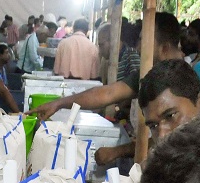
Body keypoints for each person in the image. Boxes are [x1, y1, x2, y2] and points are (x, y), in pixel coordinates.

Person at [30, 12, 184, 121]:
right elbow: (108, 93)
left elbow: (173, 139)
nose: (138, 48)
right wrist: (58, 103)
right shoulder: (149, 74)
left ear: (164, 48)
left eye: (143, 41)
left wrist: (119, 151)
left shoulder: (186, 79)